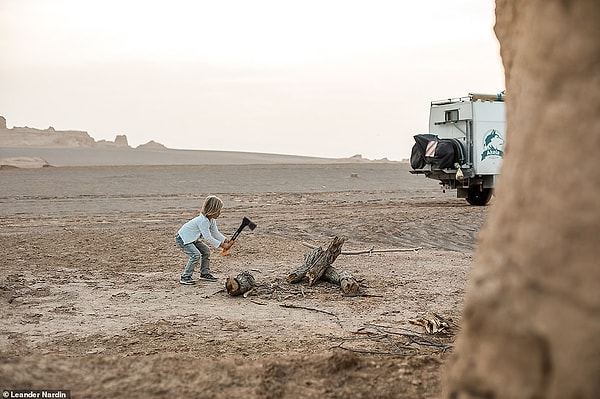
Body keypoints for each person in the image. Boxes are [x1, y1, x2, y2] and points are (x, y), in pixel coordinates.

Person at [175, 195, 233, 285]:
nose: (220, 213)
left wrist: (226, 240)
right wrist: (222, 245)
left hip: (192, 239)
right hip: (183, 239)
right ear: (211, 210)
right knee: (195, 255)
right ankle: (185, 277)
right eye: (218, 211)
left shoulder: (211, 220)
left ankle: (204, 273)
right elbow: (208, 238)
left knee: (206, 251)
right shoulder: (203, 221)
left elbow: (215, 233)